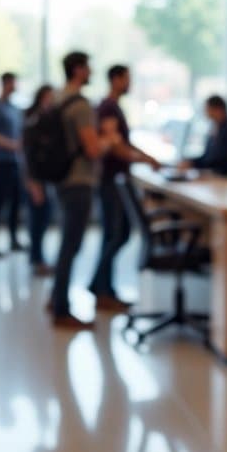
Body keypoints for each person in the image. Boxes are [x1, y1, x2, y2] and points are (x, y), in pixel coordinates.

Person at [49, 52, 119, 330]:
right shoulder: (80, 106)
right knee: (71, 245)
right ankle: (62, 309)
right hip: (79, 181)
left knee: (66, 243)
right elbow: (91, 149)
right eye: (88, 67)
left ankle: (55, 298)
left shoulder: (56, 98)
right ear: (78, 70)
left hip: (60, 179)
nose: (91, 72)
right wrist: (109, 140)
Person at [95, 65, 162, 306]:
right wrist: (143, 159)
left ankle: (103, 288)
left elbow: (126, 143)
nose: (129, 83)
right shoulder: (108, 108)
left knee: (115, 234)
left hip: (116, 178)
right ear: (116, 79)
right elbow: (116, 146)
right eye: (127, 79)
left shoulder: (113, 108)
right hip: (111, 179)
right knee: (117, 234)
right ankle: (99, 286)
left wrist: (148, 157)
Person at [0, 72, 25, 257]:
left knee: (16, 201)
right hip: (1, 161)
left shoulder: (14, 109)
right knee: (0, 201)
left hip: (15, 161)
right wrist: (13, 145)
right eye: (12, 83)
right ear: (5, 84)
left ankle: (14, 239)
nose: (15, 86)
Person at [22, 85, 58, 278]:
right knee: (37, 220)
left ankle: (38, 258)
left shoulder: (46, 119)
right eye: (49, 97)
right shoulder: (35, 120)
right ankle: (37, 260)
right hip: (35, 179)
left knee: (43, 219)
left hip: (43, 178)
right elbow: (28, 154)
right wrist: (32, 182)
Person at [181, 95, 227, 176]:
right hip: (210, 174)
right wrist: (191, 162)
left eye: (207, 109)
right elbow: (207, 157)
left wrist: (193, 164)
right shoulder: (214, 128)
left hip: (220, 177)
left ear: (218, 109)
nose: (205, 112)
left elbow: (219, 161)